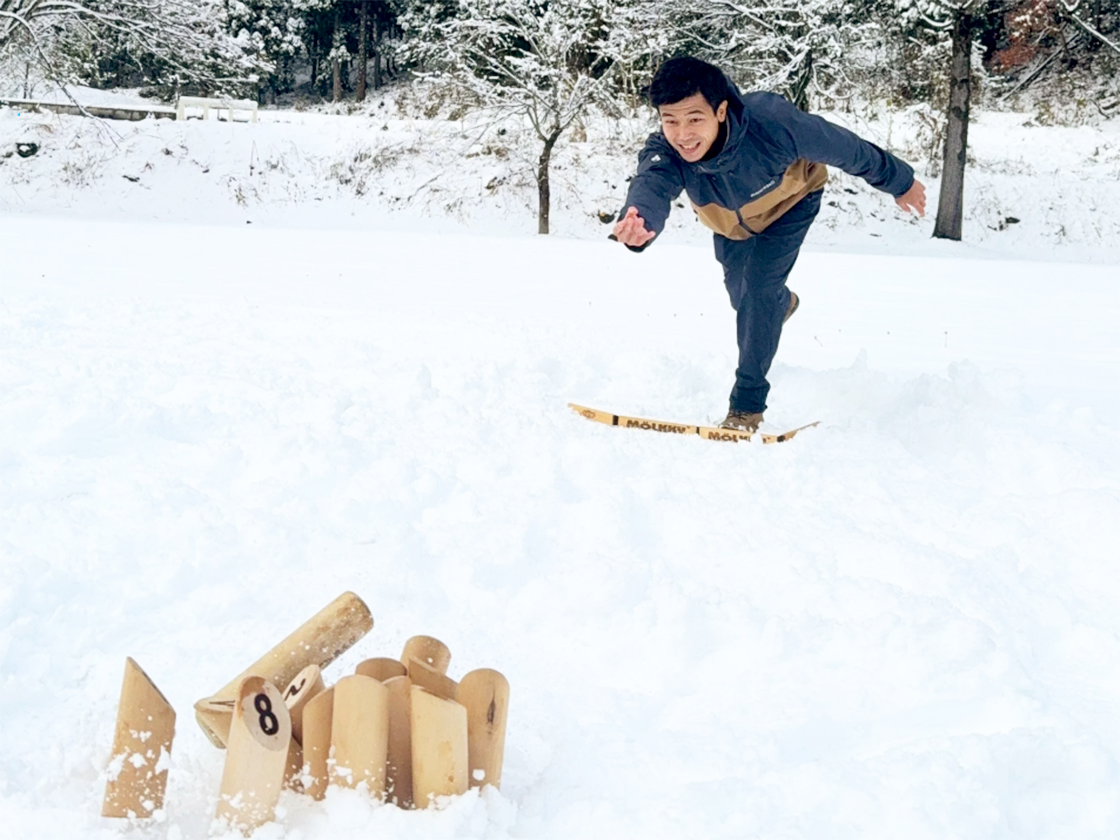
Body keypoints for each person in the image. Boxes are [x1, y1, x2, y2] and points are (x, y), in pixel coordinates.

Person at [613, 56, 926, 432]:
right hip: (731, 228)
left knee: (758, 291)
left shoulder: (773, 125)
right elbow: (651, 183)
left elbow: (848, 149)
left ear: (721, 111)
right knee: (746, 303)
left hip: (790, 205)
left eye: (695, 119)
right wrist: (641, 219)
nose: (683, 135)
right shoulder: (667, 151)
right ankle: (780, 305)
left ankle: (746, 407)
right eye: (670, 121)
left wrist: (900, 181)